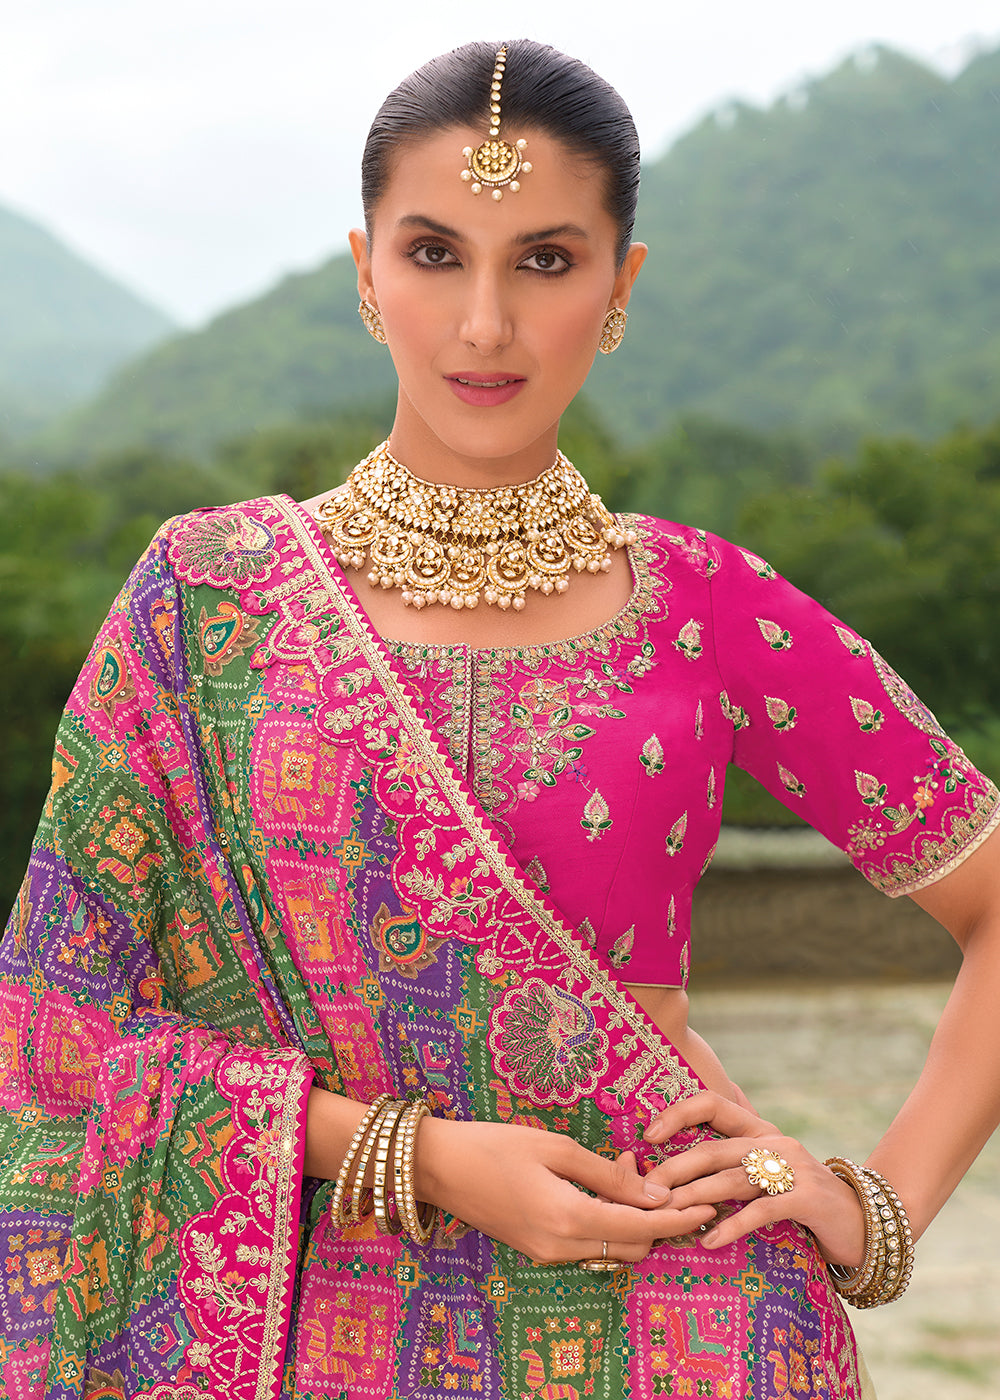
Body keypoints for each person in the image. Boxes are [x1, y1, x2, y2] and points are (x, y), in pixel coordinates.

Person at [2, 37, 999, 1400]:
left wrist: (875, 1205)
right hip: (307, 1329)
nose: (485, 323)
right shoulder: (207, 598)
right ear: (364, 271)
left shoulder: (705, 606)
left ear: (619, 285)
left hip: (687, 1323)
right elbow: (54, 1033)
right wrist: (416, 1154)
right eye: (434, 254)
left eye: (544, 260)